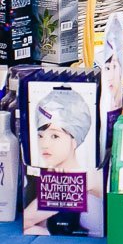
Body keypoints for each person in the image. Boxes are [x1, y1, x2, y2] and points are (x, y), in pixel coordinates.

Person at [23, 88, 102, 235]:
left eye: (55, 136)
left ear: (74, 139)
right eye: (41, 136)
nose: (45, 144)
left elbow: (27, 219)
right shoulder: (47, 175)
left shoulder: (88, 177)